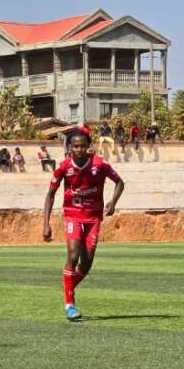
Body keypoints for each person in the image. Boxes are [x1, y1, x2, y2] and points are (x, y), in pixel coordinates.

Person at [42, 130, 125, 321]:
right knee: (73, 254)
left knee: (86, 263)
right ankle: (69, 304)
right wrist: (45, 223)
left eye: (82, 146)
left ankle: (68, 284)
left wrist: (113, 202)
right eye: (75, 146)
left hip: (94, 217)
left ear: (88, 146)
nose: (79, 149)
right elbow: (50, 194)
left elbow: (120, 182)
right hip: (73, 215)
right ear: (70, 147)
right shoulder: (64, 167)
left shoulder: (99, 164)